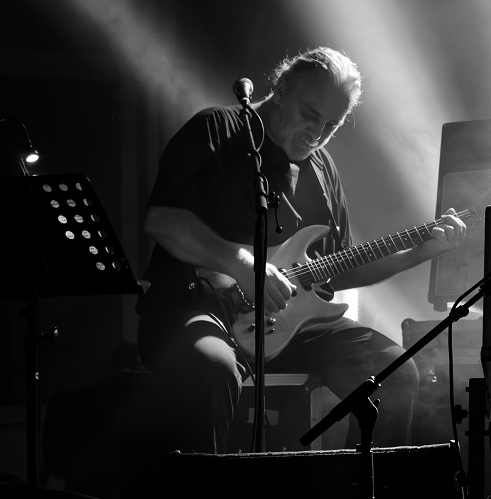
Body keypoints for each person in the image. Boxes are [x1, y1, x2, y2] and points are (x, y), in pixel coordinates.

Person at [134, 47, 466, 463]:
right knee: (212, 369)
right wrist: (244, 265)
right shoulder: (215, 128)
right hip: (196, 309)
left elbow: (339, 268)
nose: (318, 133)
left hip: (288, 326)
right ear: (281, 88)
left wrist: (418, 254)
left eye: (332, 125)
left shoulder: (322, 168)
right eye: (310, 115)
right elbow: (163, 221)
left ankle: (356, 496)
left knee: (394, 372)